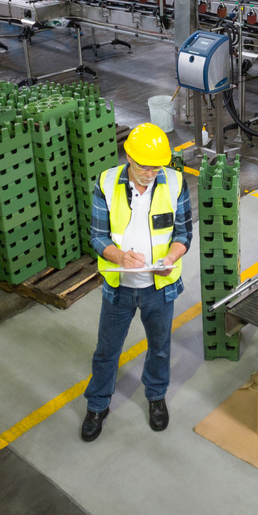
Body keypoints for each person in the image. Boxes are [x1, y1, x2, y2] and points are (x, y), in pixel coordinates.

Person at [81, 122, 193, 442]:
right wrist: (119, 257)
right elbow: (98, 236)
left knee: (159, 348)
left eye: (156, 165)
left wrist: (170, 259)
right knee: (107, 350)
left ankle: (155, 397)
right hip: (119, 287)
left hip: (160, 288)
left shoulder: (173, 183)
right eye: (144, 165)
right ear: (128, 156)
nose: (150, 172)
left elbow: (184, 233)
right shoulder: (106, 182)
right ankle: (98, 404)